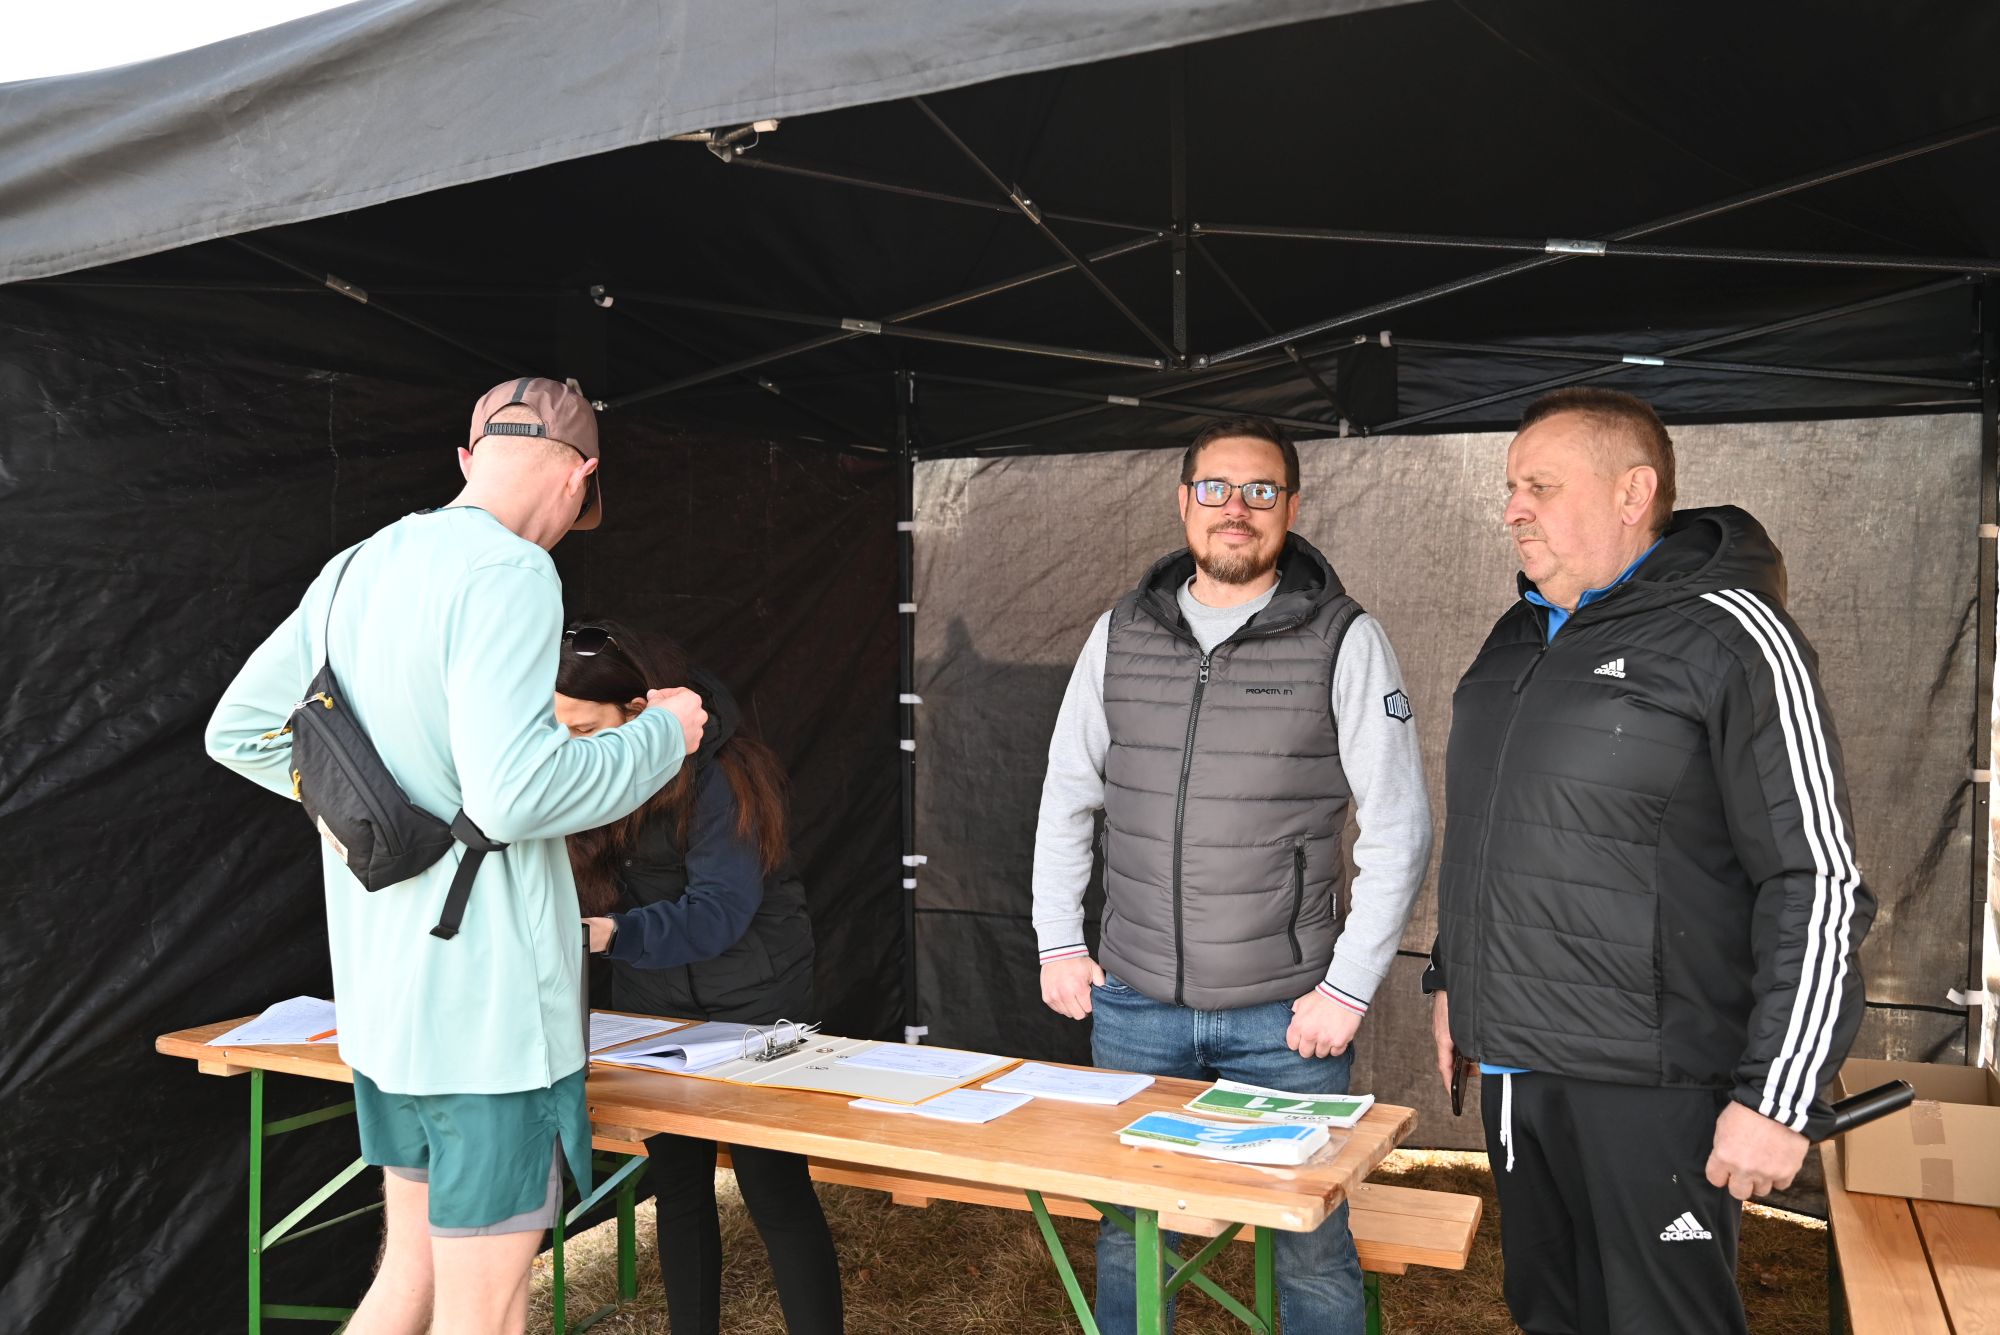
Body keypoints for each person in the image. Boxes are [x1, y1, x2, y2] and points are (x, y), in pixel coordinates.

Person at [205, 378, 709, 1335]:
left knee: (410, 1281)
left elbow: (242, 731)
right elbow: (515, 794)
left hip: (386, 1011)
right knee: (488, 1313)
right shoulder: (514, 571)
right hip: (489, 1022)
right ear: (579, 477)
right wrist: (661, 738)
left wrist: (373, 818)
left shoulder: (355, 568)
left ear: (469, 458)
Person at [1427, 387, 1876, 1335]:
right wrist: (1452, 976)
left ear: (1633, 492)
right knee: (1549, 1313)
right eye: (1511, 488)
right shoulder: (1516, 636)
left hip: (1653, 1085)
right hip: (1513, 1069)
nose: (1512, 509)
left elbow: (1817, 879)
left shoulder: (1733, 634)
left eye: (1540, 486)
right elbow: (1495, 830)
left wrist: (1778, 1097)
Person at [1033, 416, 1432, 1335]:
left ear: (1292, 506)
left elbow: (1399, 825)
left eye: (1260, 491)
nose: (1236, 509)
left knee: (1311, 1246)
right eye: (1215, 488)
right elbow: (1067, 793)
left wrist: (1348, 987)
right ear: (1184, 502)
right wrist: (1058, 938)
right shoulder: (1119, 633)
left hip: (1287, 1016)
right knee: (1132, 1232)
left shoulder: (1344, 637)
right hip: (1134, 1003)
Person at [555, 620, 842, 1335]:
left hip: (755, 1005)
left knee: (773, 1187)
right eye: (559, 730)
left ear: (640, 711)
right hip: (654, 1003)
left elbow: (718, 912)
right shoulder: (590, 772)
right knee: (678, 1186)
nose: (572, 747)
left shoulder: (724, 773)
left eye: (586, 729)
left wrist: (610, 933)